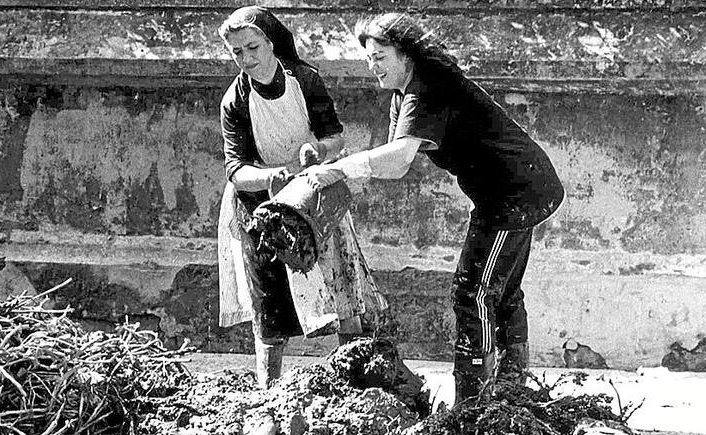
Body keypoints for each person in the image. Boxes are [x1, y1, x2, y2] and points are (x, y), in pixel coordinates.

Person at [302, 13, 565, 403]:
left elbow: (398, 156)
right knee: (501, 292)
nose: (372, 66)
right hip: (518, 189)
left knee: (472, 293)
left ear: (405, 54)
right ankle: (511, 392)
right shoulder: (406, 93)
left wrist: (340, 168)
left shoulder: (428, 87)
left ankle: (475, 400)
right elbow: (397, 164)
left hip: (513, 195)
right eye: (369, 58)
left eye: (380, 56)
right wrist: (340, 171)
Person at [217, 6, 387, 389]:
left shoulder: (305, 80)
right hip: (259, 204)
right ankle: (269, 390)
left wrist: (317, 150)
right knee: (270, 303)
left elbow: (335, 137)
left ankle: (356, 380)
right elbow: (235, 169)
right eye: (237, 52)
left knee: (341, 287)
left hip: (313, 192)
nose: (247, 58)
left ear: (271, 42)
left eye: (253, 47)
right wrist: (268, 176)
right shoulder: (235, 100)